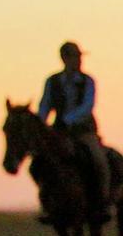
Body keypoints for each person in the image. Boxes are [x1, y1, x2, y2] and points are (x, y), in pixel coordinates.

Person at [38, 41, 111, 223]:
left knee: (98, 160)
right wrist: (41, 124)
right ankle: (48, 205)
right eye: (74, 57)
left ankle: (101, 203)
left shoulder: (87, 81)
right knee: (39, 164)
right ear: (64, 59)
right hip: (59, 133)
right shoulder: (52, 81)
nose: (78, 61)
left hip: (84, 132)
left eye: (79, 57)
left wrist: (68, 119)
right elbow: (45, 105)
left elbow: (87, 106)